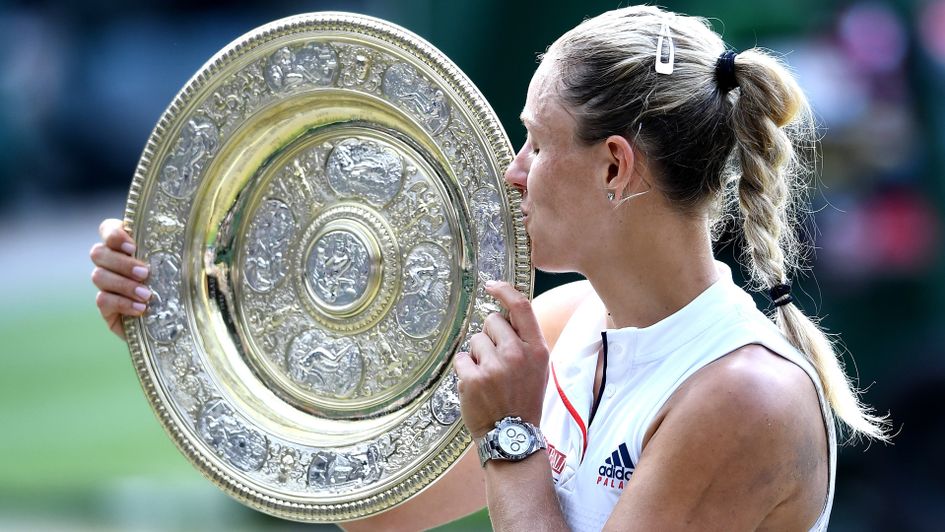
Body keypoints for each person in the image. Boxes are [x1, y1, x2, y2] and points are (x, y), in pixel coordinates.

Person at [90, 5, 890, 530]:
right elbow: (377, 510)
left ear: (615, 167)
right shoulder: (567, 322)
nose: (512, 169)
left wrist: (510, 432)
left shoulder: (742, 396)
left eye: (537, 143)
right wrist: (180, 300)